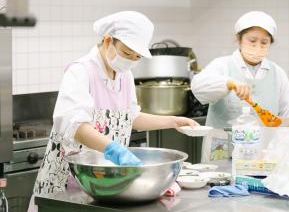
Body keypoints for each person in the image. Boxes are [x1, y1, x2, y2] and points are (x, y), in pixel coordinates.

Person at [28, 11, 198, 211]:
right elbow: (76, 127)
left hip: (106, 185)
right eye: (127, 53)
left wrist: (173, 121)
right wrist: (115, 150)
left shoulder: (124, 76)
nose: (131, 60)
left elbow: (130, 117)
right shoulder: (80, 71)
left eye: (137, 57)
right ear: (108, 41)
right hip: (69, 183)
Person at [191, 11, 289, 161]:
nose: (258, 47)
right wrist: (228, 83)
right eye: (252, 41)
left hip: (262, 151)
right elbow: (198, 87)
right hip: (221, 149)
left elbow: (286, 111)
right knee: (220, 182)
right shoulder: (222, 65)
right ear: (239, 39)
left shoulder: (276, 73)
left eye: (264, 43)